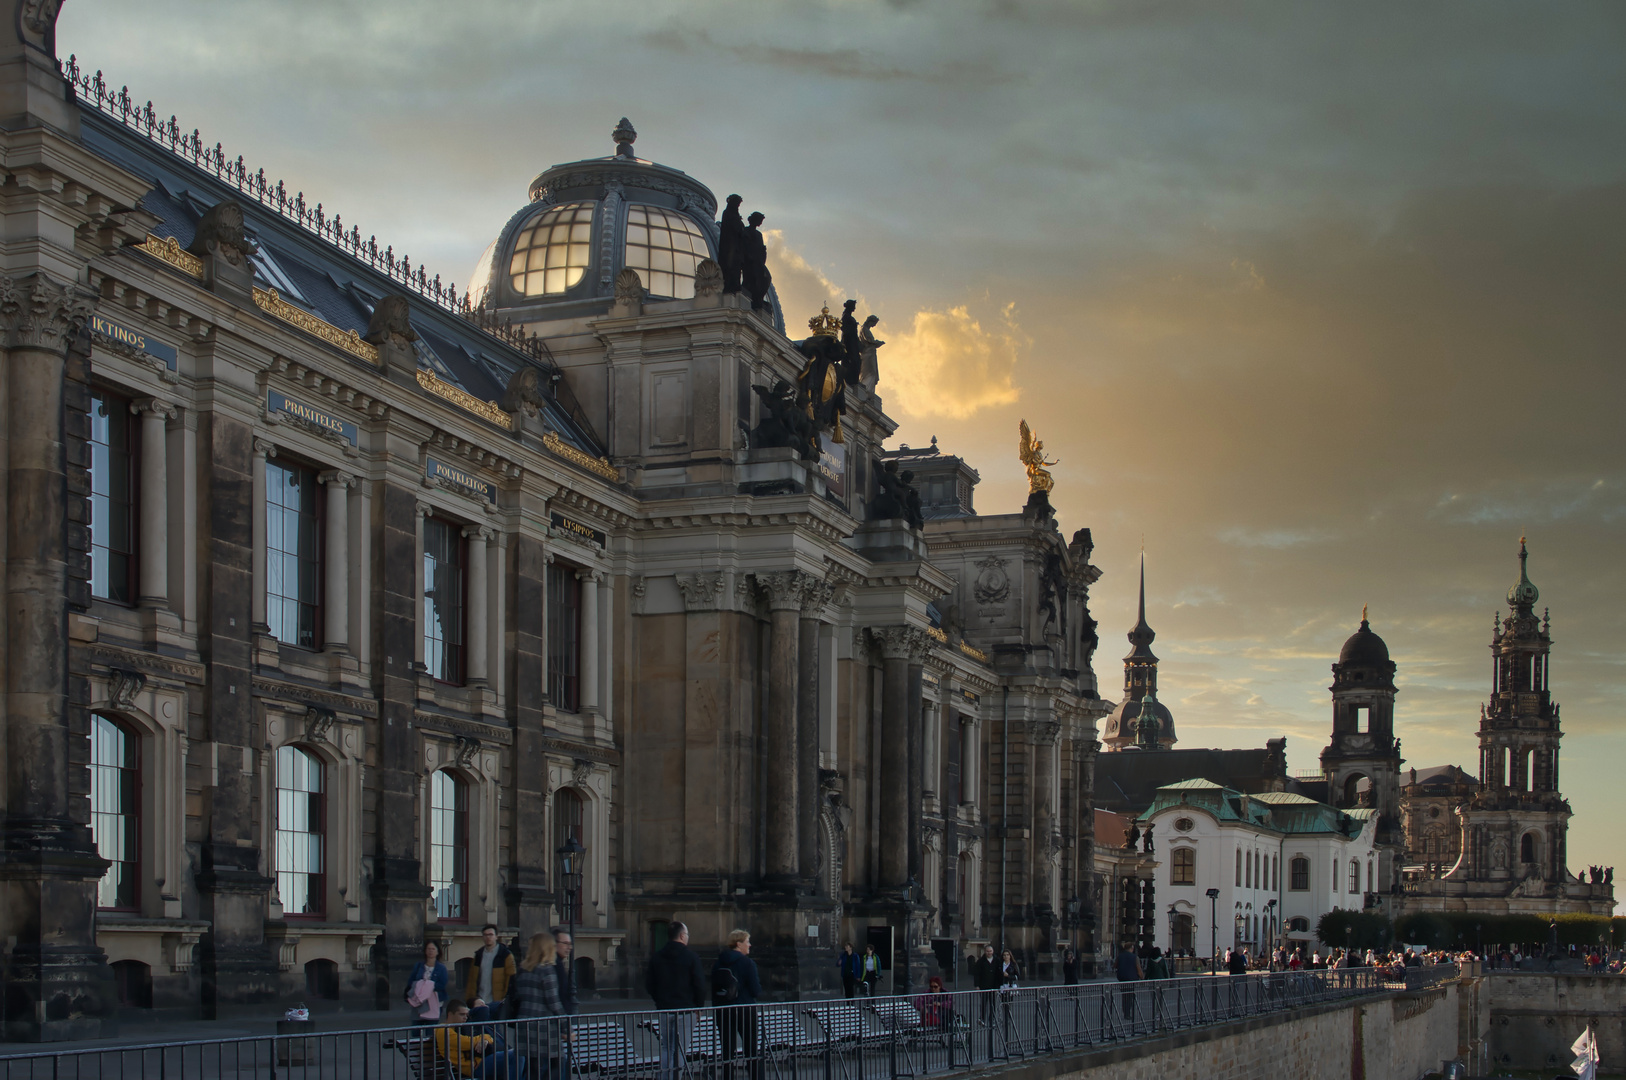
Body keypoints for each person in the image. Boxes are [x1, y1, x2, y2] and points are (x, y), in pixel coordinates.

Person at [648, 920, 707, 1080]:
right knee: (680, 1049)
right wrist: (699, 1007)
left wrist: (659, 1000)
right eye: (687, 934)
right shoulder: (691, 957)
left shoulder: (657, 956)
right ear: (682, 936)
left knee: (667, 1048)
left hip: (665, 1009)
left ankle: (665, 1077)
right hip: (686, 1009)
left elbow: (650, 984)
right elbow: (699, 984)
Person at [505, 932, 566, 1080]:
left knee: (533, 1067)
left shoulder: (523, 970)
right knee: (557, 1064)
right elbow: (553, 1002)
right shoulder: (547, 970)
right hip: (543, 1025)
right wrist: (565, 1026)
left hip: (525, 1022)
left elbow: (519, 994)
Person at [713, 929, 762, 1080]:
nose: (750, 945)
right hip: (745, 1008)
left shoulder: (718, 962)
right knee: (751, 1048)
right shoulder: (747, 963)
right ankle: (754, 1076)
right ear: (739, 944)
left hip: (724, 1009)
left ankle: (728, 1076)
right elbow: (755, 990)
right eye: (747, 942)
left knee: (727, 1049)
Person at [436, 999, 523, 1079]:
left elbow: (488, 1037)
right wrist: (482, 1039)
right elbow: (467, 1042)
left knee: (523, 1058)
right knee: (517, 1055)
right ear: (450, 1014)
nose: (465, 1018)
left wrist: (484, 1040)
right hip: (476, 1067)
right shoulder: (443, 1030)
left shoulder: (458, 1028)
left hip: (481, 1062)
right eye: (461, 1014)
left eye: (467, 1015)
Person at [466, 924, 517, 1023]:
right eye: (485, 935)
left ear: (496, 936)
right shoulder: (479, 955)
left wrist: (505, 998)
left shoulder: (505, 955)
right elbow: (472, 979)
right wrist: (470, 998)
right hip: (480, 999)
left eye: (490, 934)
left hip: (497, 1001)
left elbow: (511, 978)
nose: (488, 937)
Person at [407, 940, 450, 1026]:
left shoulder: (441, 968)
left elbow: (442, 984)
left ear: (437, 951)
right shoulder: (419, 965)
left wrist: (427, 987)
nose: (431, 951)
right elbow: (411, 981)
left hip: (435, 1001)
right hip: (419, 1001)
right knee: (416, 1029)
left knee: (431, 1028)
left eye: (433, 949)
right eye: (429, 949)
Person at [1115, 942, 1142, 1024]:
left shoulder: (1120, 956)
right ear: (1131, 948)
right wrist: (1142, 977)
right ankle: (1128, 1013)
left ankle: (1125, 1012)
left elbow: (1115, 965)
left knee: (1124, 996)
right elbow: (1138, 968)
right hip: (1131, 979)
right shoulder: (1135, 957)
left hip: (1122, 979)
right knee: (1130, 996)